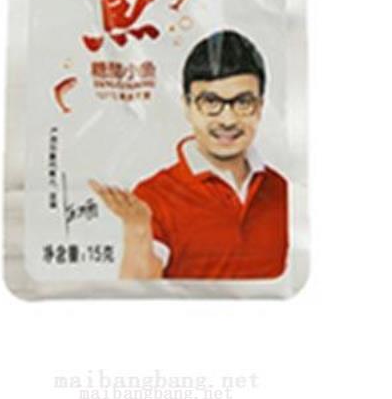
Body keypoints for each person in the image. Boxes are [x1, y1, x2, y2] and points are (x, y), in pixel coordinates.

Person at [90, 30, 288, 279]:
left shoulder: (284, 191)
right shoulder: (153, 196)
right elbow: (138, 289)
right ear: (187, 106)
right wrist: (137, 230)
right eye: (211, 102)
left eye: (243, 102)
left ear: (260, 107)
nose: (228, 120)